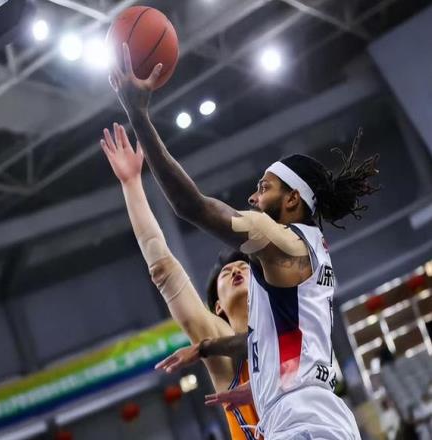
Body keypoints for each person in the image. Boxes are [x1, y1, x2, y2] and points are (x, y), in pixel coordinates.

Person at [106, 43, 380, 439]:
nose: (253, 198)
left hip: (305, 423)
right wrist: (257, 384)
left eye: (263, 188)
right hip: (310, 418)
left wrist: (139, 114)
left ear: (292, 200)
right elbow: (277, 349)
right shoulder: (296, 273)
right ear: (217, 306)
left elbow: (192, 206)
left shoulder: (283, 245)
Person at [100, 124, 259, 439]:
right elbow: (164, 270)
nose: (235, 270)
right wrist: (131, 184)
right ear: (218, 307)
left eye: (243, 266)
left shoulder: (288, 321)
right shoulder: (219, 340)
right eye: (226, 273)